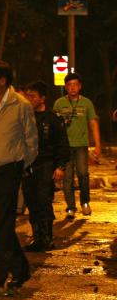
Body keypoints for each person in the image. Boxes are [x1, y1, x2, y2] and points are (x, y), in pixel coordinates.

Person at [0, 61, 38, 292]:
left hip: (10, 168)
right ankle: (20, 268)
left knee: (4, 221)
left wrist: (23, 163)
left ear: (2, 80)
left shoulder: (20, 104)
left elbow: (31, 139)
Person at [22, 81, 69, 252]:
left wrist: (60, 167)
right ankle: (37, 236)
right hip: (28, 165)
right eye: (27, 95)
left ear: (42, 98)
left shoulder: (53, 119)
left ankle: (47, 237)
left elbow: (62, 144)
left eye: (33, 96)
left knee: (43, 200)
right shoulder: (25, 118)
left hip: (46, 164)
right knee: (31, 201)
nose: (29, 99)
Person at [53, 72, 101, 219]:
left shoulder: (87, 103)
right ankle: (70, 207)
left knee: (83, 174)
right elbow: (54, 125)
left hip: (81, 145)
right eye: (69, 85)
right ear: (66, 87)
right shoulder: (59, 103)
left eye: (75, 85)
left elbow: (93, 123)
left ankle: (85, 202)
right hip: (64, 147)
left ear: (80, 87)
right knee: (67, 178)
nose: (72, 88)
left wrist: (98, 145)